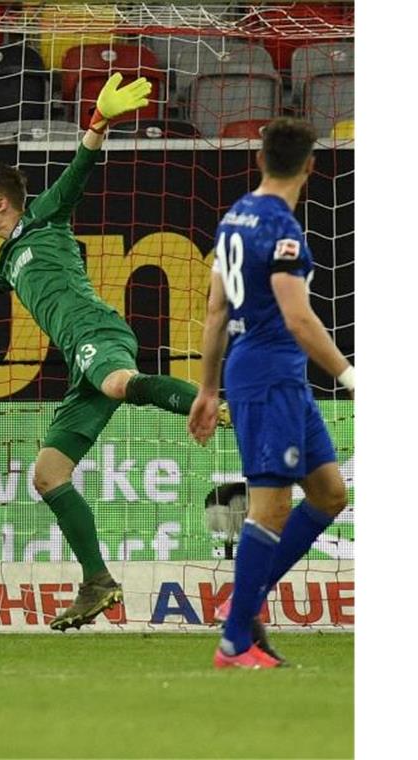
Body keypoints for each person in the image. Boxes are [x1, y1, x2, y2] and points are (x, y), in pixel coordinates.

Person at [0, 74, 219, 631]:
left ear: (1, 203)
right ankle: (97, 582)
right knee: (48, 475)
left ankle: (218, 405)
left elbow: (76, 175)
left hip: (100, 333)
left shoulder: (43, 215)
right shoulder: (9, 258)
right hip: (80, 364)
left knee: (119, 382)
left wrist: (97, 124)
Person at [188, 117, 352, 669]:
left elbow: (215, 309)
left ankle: (244, 599)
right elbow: (298, 317)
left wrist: (208, 387)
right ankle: (235, 640)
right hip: (268, 376)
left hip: (266, 375)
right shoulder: (283, 230)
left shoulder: (234, 217)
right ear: (310, 166)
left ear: (260, 159)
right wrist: (351, 378)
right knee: (273, 507)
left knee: (329, 494)